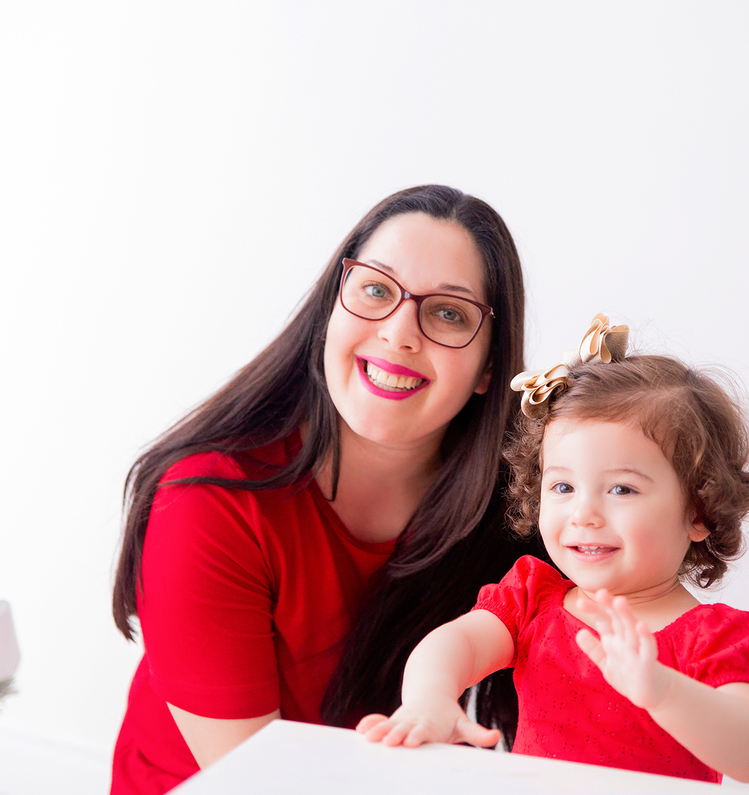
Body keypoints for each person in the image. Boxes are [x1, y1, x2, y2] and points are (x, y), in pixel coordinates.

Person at [110, 185, 542, 794]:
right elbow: (257, 784)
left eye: (449, 312)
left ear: (490, 370)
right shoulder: (210, 502)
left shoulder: (519, 511)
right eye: (375, 289)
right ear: (330, 311)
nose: (399, 333)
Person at [357, 315, 749, 784]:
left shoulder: (714, 637)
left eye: (621, 490)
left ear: (699, 511)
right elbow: (455, 643)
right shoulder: (532, 601)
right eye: (562, 486)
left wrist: (663, 691)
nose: (584, 513)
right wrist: (430, 697)